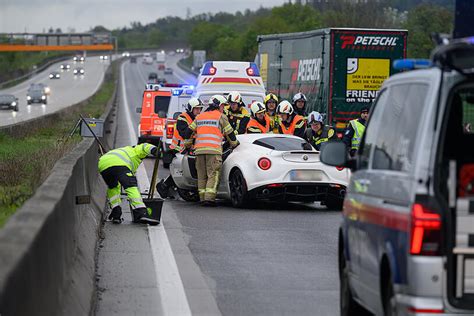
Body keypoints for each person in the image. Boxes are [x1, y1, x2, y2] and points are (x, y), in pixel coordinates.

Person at [183, 95, 239, 206]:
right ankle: (209, 199)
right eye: (223, 105)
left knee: (202, 175)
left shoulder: (200, 116)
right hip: (213, 151)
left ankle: (203, 198)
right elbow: (230, 133)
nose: (224, 108)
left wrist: (188, 144)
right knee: (213, 174)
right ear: (218, 106)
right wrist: (235, 143)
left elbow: (188, 131)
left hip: (199, 151)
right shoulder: (220, 116)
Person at [98, 143, 160, 224]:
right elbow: (145, 146)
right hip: (119, 164)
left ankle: (116, 212)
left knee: (113, 187)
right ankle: (142, 212)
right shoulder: (134, 150)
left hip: (103, 164)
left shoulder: (123, 151)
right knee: (131, 187)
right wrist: (155, 150)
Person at [156, 97, 204, 199]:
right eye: (196, 109)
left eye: (200, 109)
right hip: (180, 148)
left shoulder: (197, 119)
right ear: (191, 108)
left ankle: (166, 186)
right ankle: (164, 186)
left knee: (182, 171)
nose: (198, 111)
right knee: (181, 171)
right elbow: (185, 134)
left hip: (189, 148)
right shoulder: (183, 118)